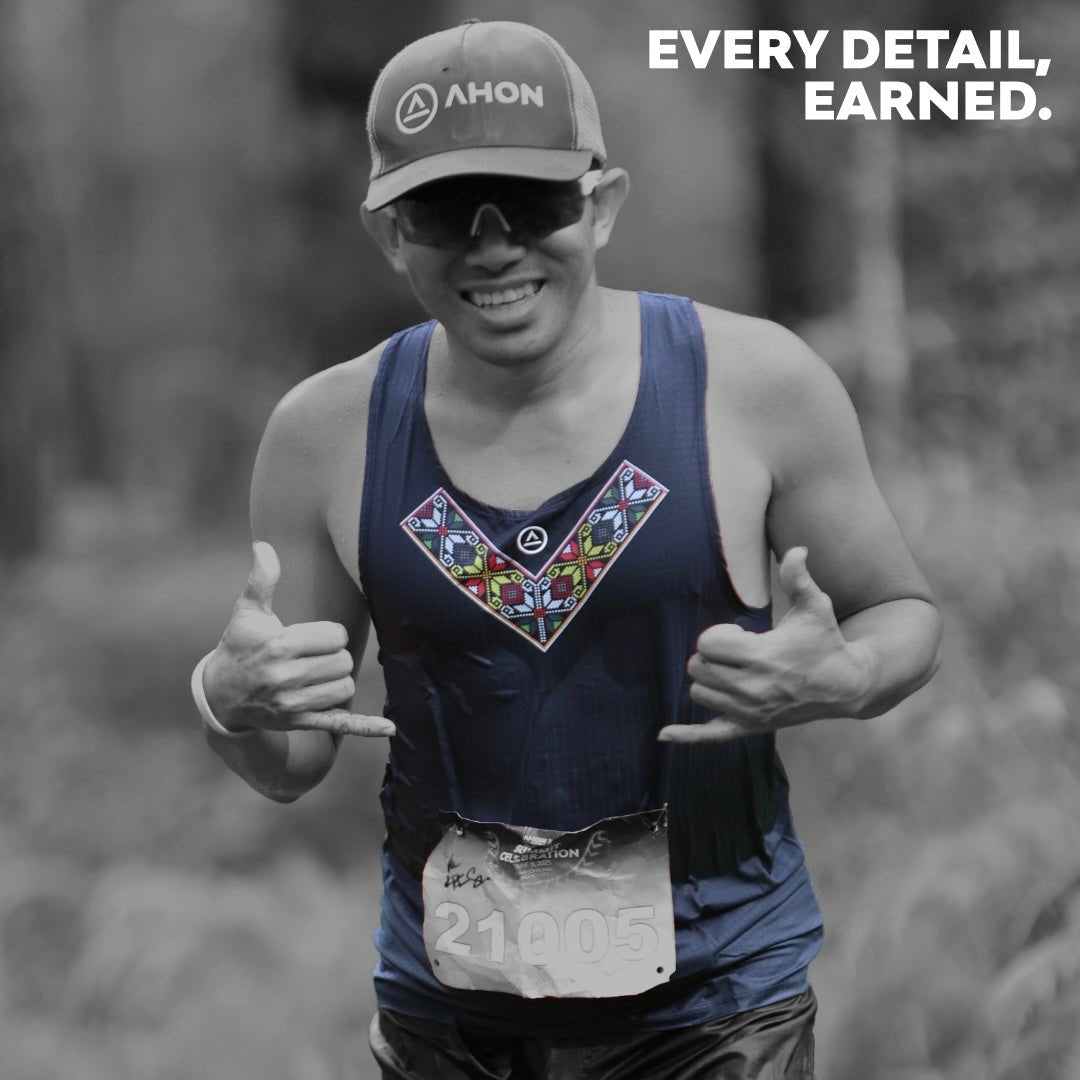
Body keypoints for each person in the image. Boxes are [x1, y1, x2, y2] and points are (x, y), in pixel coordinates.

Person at [191, 19, 942, 1080]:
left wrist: (847, 673)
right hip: (448, 1017)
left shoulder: (755, 384)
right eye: (447, 210)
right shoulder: (326, 432)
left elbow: (905, 613)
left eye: (533, 202)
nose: (493, 245)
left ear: (602, 205)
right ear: (390, 233)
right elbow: (289, 761)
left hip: (721, 1005)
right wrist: (226, 698)